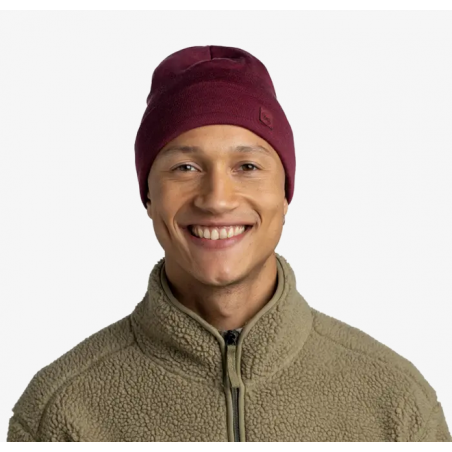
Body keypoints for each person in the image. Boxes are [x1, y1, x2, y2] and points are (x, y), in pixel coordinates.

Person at [7, 45, 451, 442]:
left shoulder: (397, 405)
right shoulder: (60, 414)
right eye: (185, 168)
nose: (217, 199)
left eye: (247, 167)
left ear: (285, 194)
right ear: (148, 196)